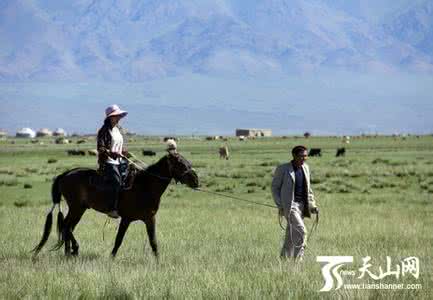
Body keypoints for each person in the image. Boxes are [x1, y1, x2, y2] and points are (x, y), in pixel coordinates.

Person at [271, 145, 319, 261]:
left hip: (303, 206)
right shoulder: (283, 169)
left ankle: (283, 259)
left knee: (291, 235)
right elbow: (274, 188)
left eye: (306, 156)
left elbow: (309, 189)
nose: (304, 158)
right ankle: (298, 262)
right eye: (301, 156)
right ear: (294, 156)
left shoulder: (306, 168)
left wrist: (312, 205)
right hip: (290, 206)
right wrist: (281, 205)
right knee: (301, 231)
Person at [97, 104, 128, 218]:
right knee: (116, 182)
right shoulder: (104, 130)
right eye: (116, 116)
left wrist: (123, 151)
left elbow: (118, 145)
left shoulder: (118, 129)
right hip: (108, 162)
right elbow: (100, 148)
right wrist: (112, 153)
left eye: (119, 115)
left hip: (120, 161)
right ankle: (111, 209)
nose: (118, 118)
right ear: (110, 117)